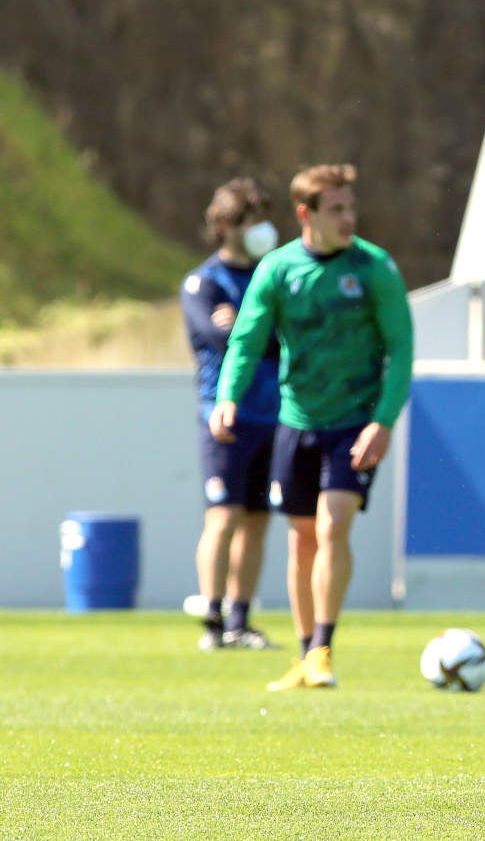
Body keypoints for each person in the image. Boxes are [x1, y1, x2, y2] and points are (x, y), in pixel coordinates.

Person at [211, 163, 414, 691]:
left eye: (352, 206)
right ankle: (305, 656)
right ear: (306, 214)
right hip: (296, 422)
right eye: (337, 209)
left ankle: (322, 647)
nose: (350, 217)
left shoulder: (374, 269)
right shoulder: (278, 270)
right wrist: (227, 397)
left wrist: (383, 421)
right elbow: (247, 340)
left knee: (332, 526)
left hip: (354, 423)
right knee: (302, 540)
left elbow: (402, 350)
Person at [180, 177, 282, 652]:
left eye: (263, 217)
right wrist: (258, 332)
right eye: (249, 220)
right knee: (223, 515)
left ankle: (241, 620)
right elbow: (219, 339)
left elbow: (284, 341)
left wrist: (242, 323)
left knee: (258, 521)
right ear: (224, 225)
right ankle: (213, 617)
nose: (260, 229)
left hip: (274, 413)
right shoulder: (204, 282)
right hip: (222, 416)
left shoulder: (274, 276)